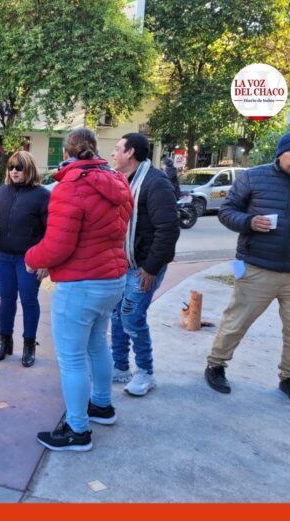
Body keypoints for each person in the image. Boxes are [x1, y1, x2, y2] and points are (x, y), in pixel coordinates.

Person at [25, 128, 132, 451]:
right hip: (113, 279)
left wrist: (31, 258)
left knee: (71, 358)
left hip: (81, 283)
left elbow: (58, 246)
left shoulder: (70, 187)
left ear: (67, 153)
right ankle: (101, 405)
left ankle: (77, 429)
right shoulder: (118, 182)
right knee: (98, 344)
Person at [204, 128, 290, 407]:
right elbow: (227, 211)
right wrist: (249, 222)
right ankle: (216, 365)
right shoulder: (254, 176)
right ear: (280, 153)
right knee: (236, 321)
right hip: (258, 266)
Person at [109, 133, 179, 397]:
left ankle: (146, 372)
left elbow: (168, 230)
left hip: (143, 267)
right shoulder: (123, 180)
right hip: (123, 264)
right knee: (116, 316)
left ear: (130, 153)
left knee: (131, 317)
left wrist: (150, 268)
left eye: (117, 148)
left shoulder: (155, 183)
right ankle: (119, 366)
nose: (113, 153)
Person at [0, 150, 50, 367]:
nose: (14, 171)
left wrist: (44, 261)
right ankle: (5, 342)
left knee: (29, 301)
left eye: (18, 168)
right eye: (11, 167)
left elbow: (49, 231)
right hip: (2, 256)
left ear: (28, 169)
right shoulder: (1, 191)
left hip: (28, 259)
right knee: (6, 299)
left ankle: (29, 344)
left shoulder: (41, 195)